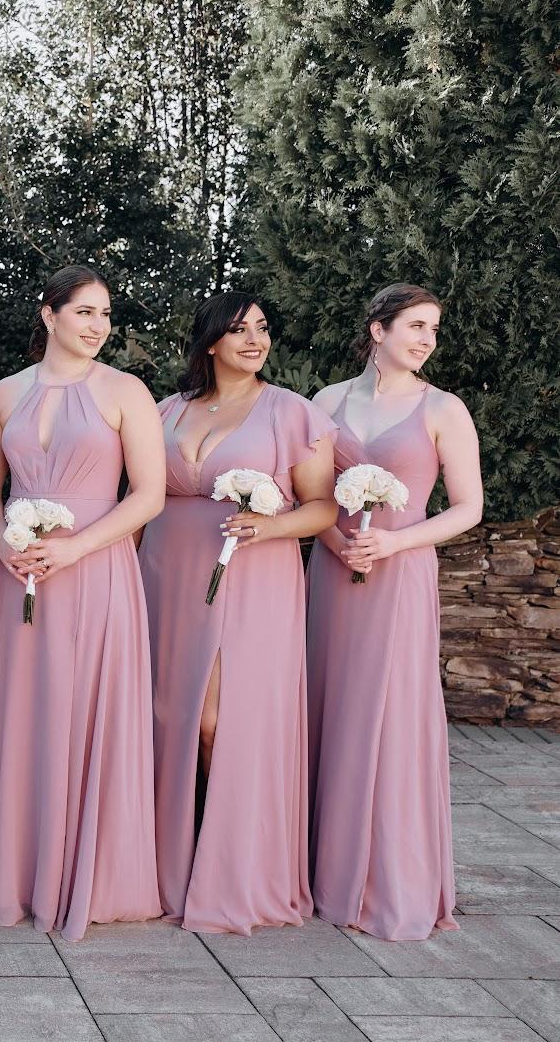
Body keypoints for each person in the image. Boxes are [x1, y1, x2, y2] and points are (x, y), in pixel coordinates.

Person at [0, 265, 164, 940]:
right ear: (48, 314)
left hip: (95, 570)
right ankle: (17, 872)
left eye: (105, 314)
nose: (97, 326)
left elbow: (149, 494)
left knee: (85, 709)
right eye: (84, 311)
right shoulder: (5, 393)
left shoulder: (126, 391)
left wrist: (76, 549)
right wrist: (3, 546)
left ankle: (85, 871)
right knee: (20, 711)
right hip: (18, 573)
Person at [141, 292, 336, 934]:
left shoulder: (292, 412)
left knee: (218, 722)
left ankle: (234, 867)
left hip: (251, 578)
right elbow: (139, 497)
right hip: (164, 577)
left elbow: (323, 507)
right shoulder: (165, 411)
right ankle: (166, 863)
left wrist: (271, 526)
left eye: (262, 328)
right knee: (165, 717)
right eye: (239, 328)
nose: (255, 339)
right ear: (209, 341)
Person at [307, 283, 483, 940]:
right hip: (334, 573)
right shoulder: (327, 403)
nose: (427, 340)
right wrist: (339, 545)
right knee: (330, 704)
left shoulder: (444, 409)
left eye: (433, 329)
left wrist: (394, 543)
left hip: (402, 574)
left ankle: (388, 880)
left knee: (392, 713)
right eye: (415, 326)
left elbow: (468, 508)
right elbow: (311, 496)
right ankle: (323, 872)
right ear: (377, 329)